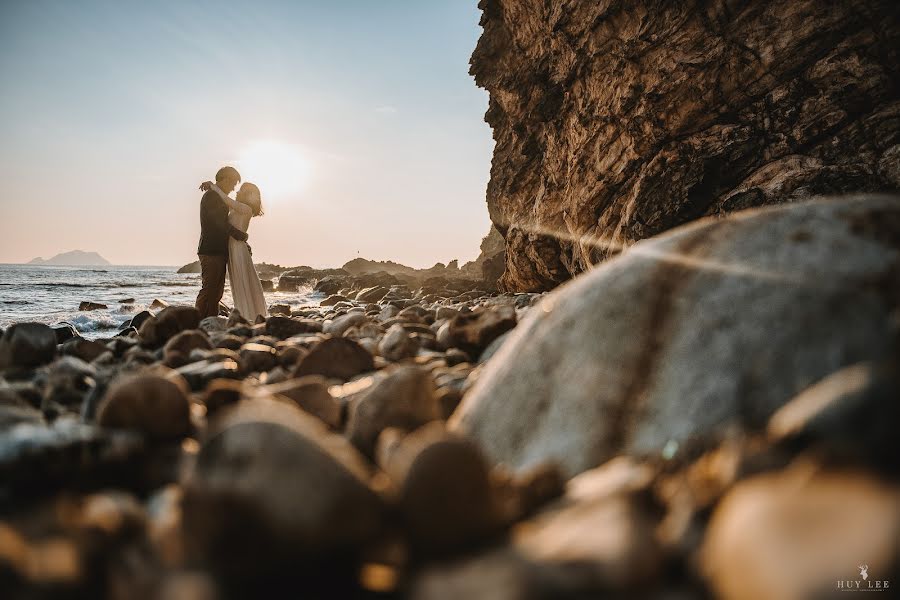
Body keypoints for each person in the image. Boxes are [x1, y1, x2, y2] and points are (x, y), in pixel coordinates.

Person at [199, 178, 268, 320]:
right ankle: (245, 315)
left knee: (242, 281)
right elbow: (222, 209)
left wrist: (212, 186)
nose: (237, 190)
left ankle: (250, 315)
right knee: (237, 282)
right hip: (231, 249)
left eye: (241, 190)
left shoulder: (245, 209)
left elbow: (225, 199)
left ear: (248, 194)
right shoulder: (238, 207)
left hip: (237, 250)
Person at [195, 166, 248, 318]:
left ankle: (211, 320)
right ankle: (198, 321)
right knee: (210, 289)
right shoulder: (212, 196)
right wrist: (240, 235)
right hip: (211, 250)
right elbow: (219, 222)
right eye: (232, 183)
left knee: (216, 291)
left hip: (217, 250)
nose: (233, 188)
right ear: (225, 179)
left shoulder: (217, 195)